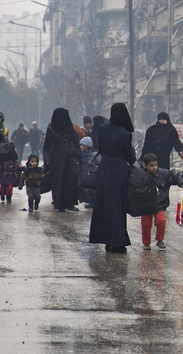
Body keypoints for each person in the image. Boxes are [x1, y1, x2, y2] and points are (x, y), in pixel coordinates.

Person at [89, 103, 137, 254]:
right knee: (117, 205)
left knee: (104, 204)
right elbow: (130, 157)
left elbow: (101, 148)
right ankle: (117, 241)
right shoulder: (125, 133)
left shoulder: (103, 128)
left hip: (105, 168)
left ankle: (105, 238)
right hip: (119, 170)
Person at [140, 153, 183, 250]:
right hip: (145, 205)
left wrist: (182, 182)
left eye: (156, 165)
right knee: (146, 224)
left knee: (161, 221)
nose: (154, 168)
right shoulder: (140, 175)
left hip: (160, 204)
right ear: (145, 165)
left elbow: (175, 177)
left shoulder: (164, 174)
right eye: (151, 166)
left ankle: (160, 240)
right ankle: (146, 243)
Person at [44, 108, 81, 212]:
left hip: (70, 156)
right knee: (58, 181)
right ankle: (59, 203)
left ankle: (70, 203)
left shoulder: (70, 128)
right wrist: (47, 158)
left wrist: (77, 153)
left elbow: (75, 141)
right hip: (57, 157)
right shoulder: (51, 129)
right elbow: (46, 146)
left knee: (71, 179)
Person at [78, 136, 99, 208]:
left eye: (82, 145)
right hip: (85, 175)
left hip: (92, 175)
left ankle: (94, 202)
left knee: (93, 190)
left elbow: (100, 163)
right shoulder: (81, 155)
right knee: (87, 190)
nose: (80, 147)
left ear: (86, 146)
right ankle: (90, 201)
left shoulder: (94, 154)